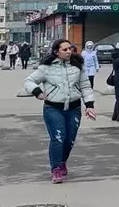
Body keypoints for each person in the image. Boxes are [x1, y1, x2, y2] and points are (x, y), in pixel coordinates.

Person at [23, 38, 96, 183]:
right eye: (65, 49)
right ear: (56, 52)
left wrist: (89, 105)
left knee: (69, 140)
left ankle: (62, 161)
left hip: (74, 108)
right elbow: (28, 81)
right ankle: (56, 168)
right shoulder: (46, 67)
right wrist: (38, 92)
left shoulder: (77, 66)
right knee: (58, 138)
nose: (69, 51)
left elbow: (85, 86)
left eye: (70, 48)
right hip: (53, 108)